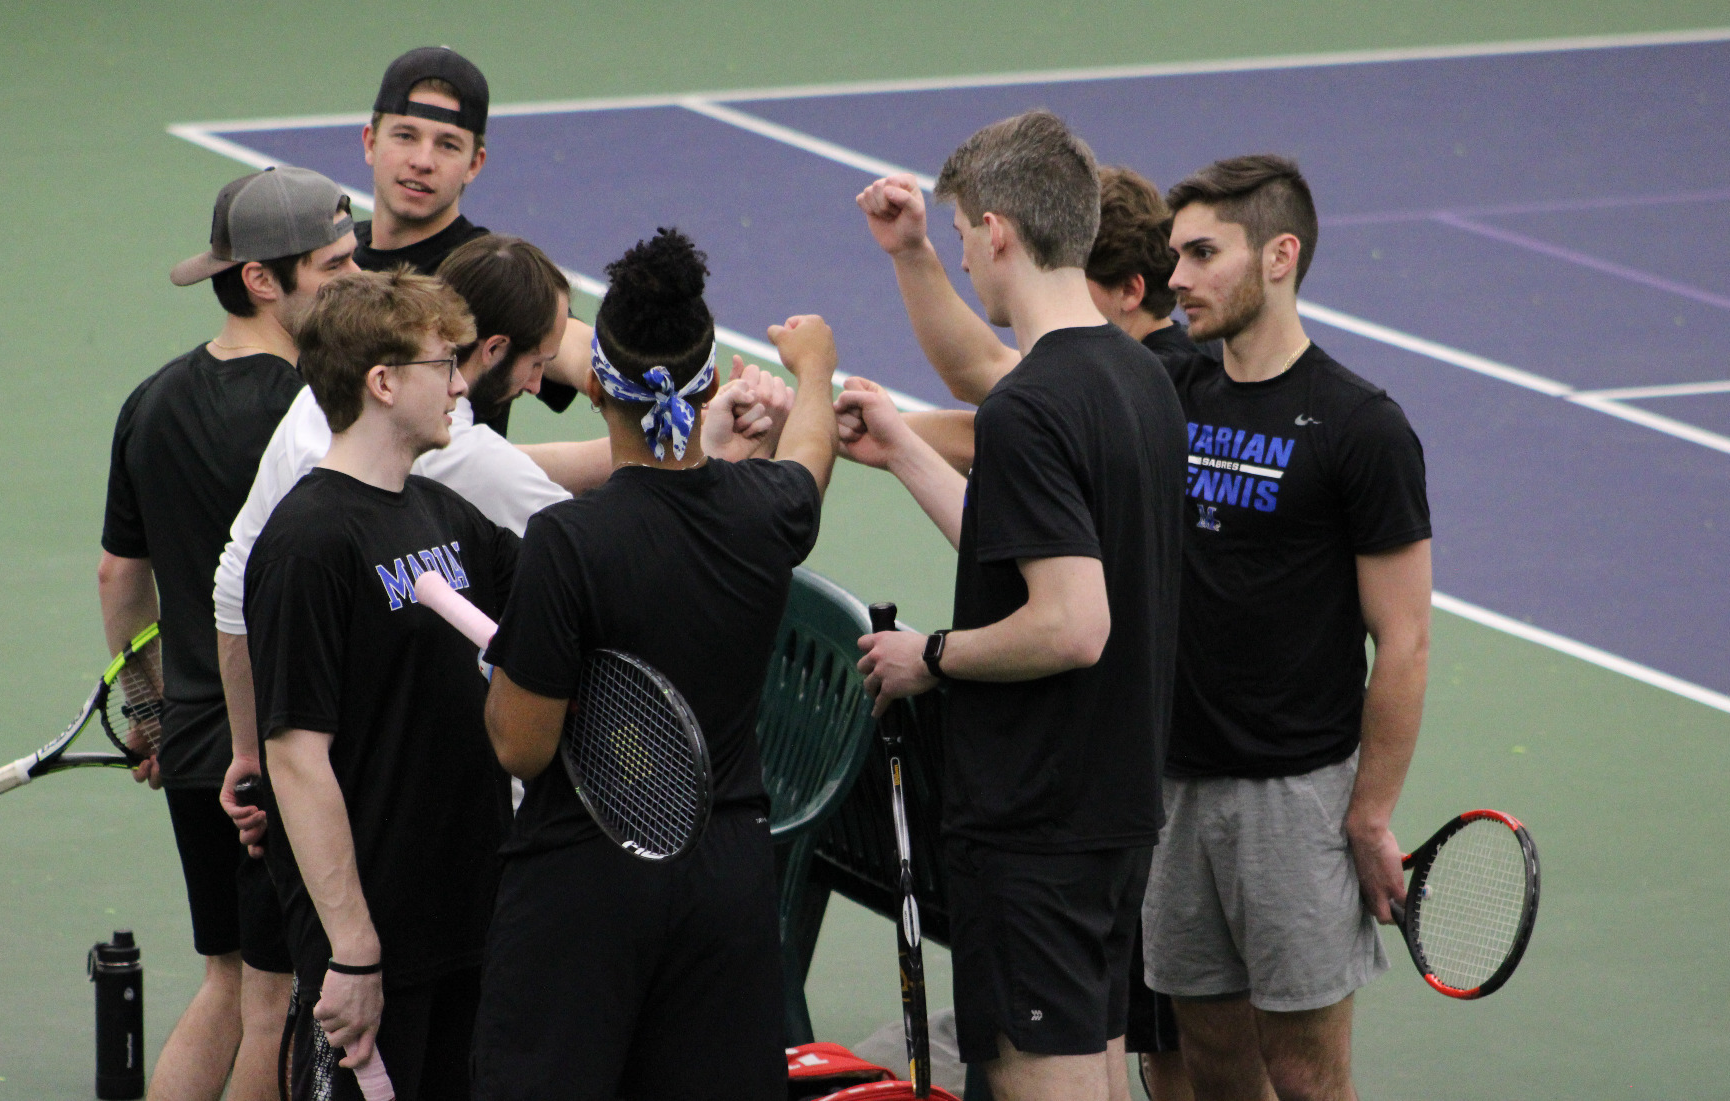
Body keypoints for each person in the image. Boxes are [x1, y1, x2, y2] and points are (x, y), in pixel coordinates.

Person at [214, 233, 792, 858]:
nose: (541, 383)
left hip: (318, 776)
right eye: (537, 362)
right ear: (489, 350)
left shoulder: (326, 402)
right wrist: (711, 457)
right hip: (415, 811)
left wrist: (252, 755)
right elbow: (607, 549)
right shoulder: (469, 467)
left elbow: (231, 587)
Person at [839, 111, 1185, 1101]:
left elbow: (1071, 622)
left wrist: (928, 656)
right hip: (1112, 817)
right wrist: (905, 450)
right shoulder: (1141, 380)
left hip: (1038, 826)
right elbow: (1044, 561)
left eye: (958, 238)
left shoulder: (1031, 405)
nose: (965, 258)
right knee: (1101, 1073)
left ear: (996, 232)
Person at [472, 228, 839, 1101]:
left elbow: (520, 746)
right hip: (726, 885)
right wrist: (815, 371)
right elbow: (809, 461)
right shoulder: (768, 515)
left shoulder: (566, 543)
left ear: (595, 382)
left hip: (584, 885)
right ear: (708, 380)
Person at [1142, 155, 1432, 1101]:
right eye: (1170, 254)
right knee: (1206, 1059)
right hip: (1175, 785)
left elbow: (1404, 637)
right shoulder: (1169, 385)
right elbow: (998, 380)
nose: (1173, 277)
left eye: (1199, 253)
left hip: (1292, 800)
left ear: (1278, 255)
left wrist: (1370, 812)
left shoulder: (1360, 427)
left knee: (1304, 1074)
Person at [97, 165, 359, 1101]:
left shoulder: (150, 401)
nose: (356, 281)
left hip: (201, 748)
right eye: (333, 267)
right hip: (278, 756)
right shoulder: (314, 415)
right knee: (275, 1000)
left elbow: (119, 580)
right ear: (261, 279)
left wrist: (154, 714)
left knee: (227, 978)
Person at [244, 268, 512, 1101]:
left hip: (465, 924)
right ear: (384, 381)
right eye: (445, 363)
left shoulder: (441, 514)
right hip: (374, 950)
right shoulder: (307, 546)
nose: (463, 384)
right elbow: (295, 758)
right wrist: (353, 949)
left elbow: (563, 592)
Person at [355, 45, 582, 435]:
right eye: (406, 136)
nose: (423, 161)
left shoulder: (488, 271)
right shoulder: (332, 255)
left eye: (447, 145)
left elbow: (580, 350)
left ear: (474, 163)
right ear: (371, 143)